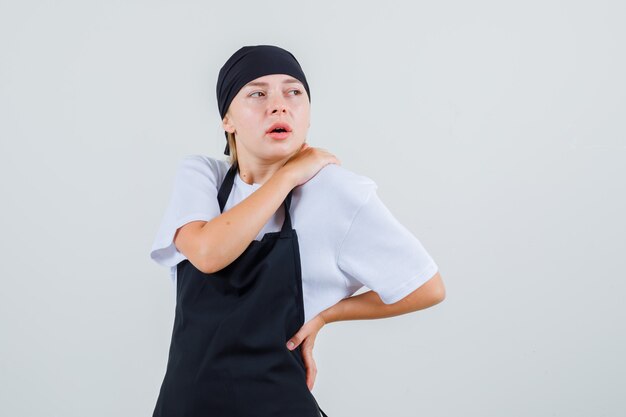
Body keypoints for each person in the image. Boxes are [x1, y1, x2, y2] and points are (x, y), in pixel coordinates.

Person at [149, 44, 445, 417]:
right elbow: (208, 253)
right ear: (228, 120)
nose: (279, 104)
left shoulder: (335, 192)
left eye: (294, 92)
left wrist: (325, 316)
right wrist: (290, 174)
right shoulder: (203, 177)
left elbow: (426, 286)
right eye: (257, 93)